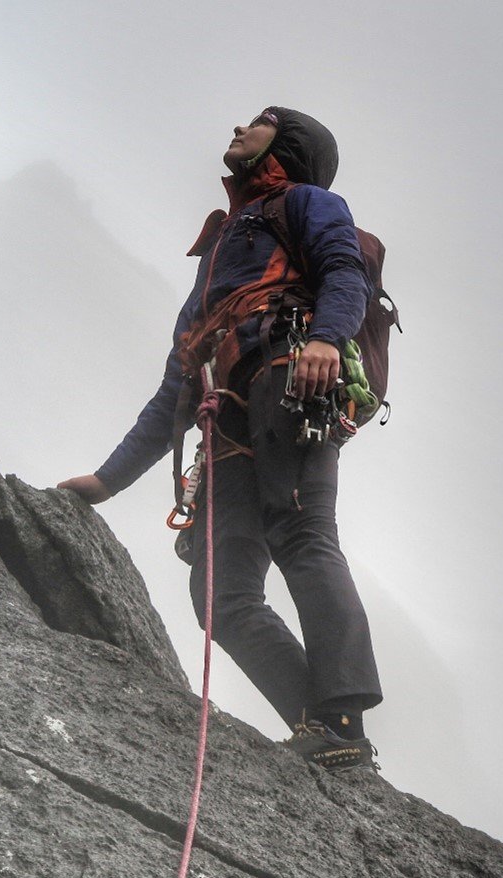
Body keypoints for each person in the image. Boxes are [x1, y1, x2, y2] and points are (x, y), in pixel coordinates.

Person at [59, 106, 381, 771]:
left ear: (288, 146)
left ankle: (343, 718)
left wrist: (324, 337)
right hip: (228, 419)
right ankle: (313, 723)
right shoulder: (225, 243)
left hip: (290, 384)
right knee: (219, 591)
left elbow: (343, 274)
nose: (238, 127)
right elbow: (178, 381)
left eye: (259, 122)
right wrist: (107, 480)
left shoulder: (308, 202)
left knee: (301, 535)